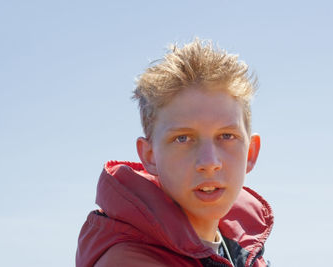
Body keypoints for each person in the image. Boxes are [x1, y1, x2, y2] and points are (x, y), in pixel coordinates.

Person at [76, 39, 274, 267]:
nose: (209, 162)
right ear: (149, 155)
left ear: (250, 152)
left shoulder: (242, 251)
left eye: (227, 136)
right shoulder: (128, 261)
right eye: (183, 139)